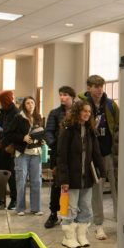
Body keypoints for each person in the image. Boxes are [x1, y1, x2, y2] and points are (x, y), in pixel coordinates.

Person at [57, 101, 106, 248]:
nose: (87, 114)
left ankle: (81, 235)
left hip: (86, 177)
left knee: (85, 207)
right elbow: (61, 156)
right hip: (71, 178)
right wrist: (63, 179)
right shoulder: (68, 130)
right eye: (84, 111)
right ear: (77, 111)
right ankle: (68, 237)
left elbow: (96, 153)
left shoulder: (90, 130)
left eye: (89, 112)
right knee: (70, 208)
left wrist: (102, 171)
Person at [78, 75, 119, 240]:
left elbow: (119, 125)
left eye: (101, 86)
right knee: (97, 193)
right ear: (89, 88)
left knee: (118, 189)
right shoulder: (82, 106)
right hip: (93, 156)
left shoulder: (110, 105)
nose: (99, 89)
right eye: (95, 86)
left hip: (110, 153)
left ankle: (120, 220)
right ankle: (99, 225)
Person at [5, 96, 44, 216]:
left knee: (36, 181)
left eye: (32, 102)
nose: (30, 105)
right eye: (28, 103)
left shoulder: (38, 117)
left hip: (36, 153)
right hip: (22, 153)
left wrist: (42, 140)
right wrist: (23, 137)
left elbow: (42, 132)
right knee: (21, 180)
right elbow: (9, 134)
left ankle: (36, 208)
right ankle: (20, 208)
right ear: (24, 105)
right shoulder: (18, 117)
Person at [44, 86, 76, 229]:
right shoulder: (55, 113)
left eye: (65, 95)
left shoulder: (78, 111)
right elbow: (48, 132)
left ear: (72, 97)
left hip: (75, 154)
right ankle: (53, 213)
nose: (62, 97)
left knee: (72, 187)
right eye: (61, 95)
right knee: (58, 185)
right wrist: (56, 145)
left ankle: (69, 214)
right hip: (58, 154)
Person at [0, 90, 19, 210]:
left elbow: (11, 130)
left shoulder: (16, 113)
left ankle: (14, 199)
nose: (0, 104)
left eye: (2, 101)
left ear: (7, 100)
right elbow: (0, 127)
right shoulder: (2, 113)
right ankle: (0, 199)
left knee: (11, 175)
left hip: (9, 149)